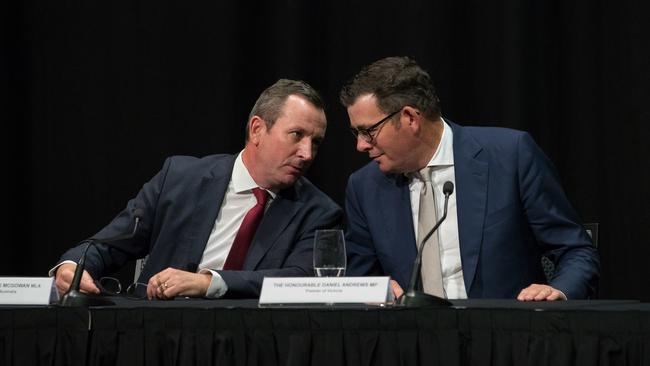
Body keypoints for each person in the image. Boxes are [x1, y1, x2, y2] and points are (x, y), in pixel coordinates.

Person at [52, 79, 342, 299]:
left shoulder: (318, 211)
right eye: (297, 135)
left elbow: (302, 280)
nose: (307, 153)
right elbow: (109, 244)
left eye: (315, 142)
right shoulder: (180, 178)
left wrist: (208, 282)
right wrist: (73, 266)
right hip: (157, 332)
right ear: (257, 130)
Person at [340, 56, 599, 301]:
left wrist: (558, 291)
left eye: (368, 131)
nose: (361, 145)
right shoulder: (364, 187)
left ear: (410, 118)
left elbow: (575, 250)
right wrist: (372, 290)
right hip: (412, 343)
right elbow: (359, 279)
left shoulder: (510, 157)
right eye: (356, 133)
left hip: (504, 338)